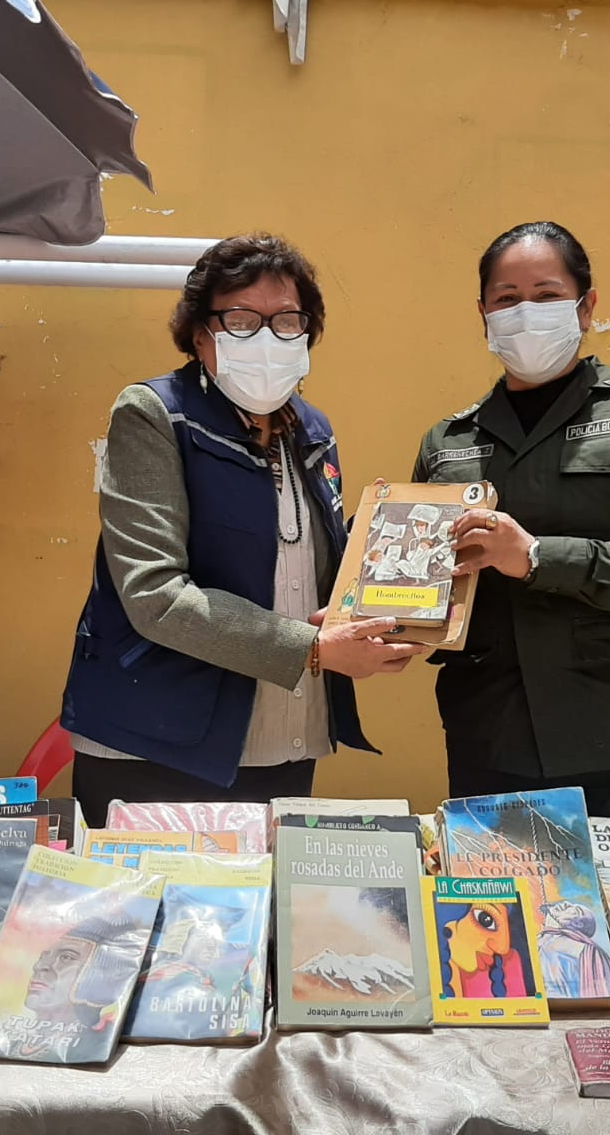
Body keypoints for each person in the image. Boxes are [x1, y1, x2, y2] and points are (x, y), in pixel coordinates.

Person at [61, 233, 423, 826]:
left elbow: (309, 559)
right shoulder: (155, 414)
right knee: (153, 916)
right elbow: (155, 594)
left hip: (285, 731)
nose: (266, 337)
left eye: (286, 320)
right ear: (201, 332)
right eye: (241, 319)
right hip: (157, 737)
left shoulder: (311, 427)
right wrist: (313, 649)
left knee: (263, 916)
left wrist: (413, 554)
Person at [411, 221, 610, 827]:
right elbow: (435, 584)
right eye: (506, 299)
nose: (525, 312)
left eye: (548, 295)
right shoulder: (448, 444)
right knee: (511, 923)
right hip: (495, 747)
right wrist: (375, 603)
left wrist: (535, 556)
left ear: (586, 308)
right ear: (483, 313)